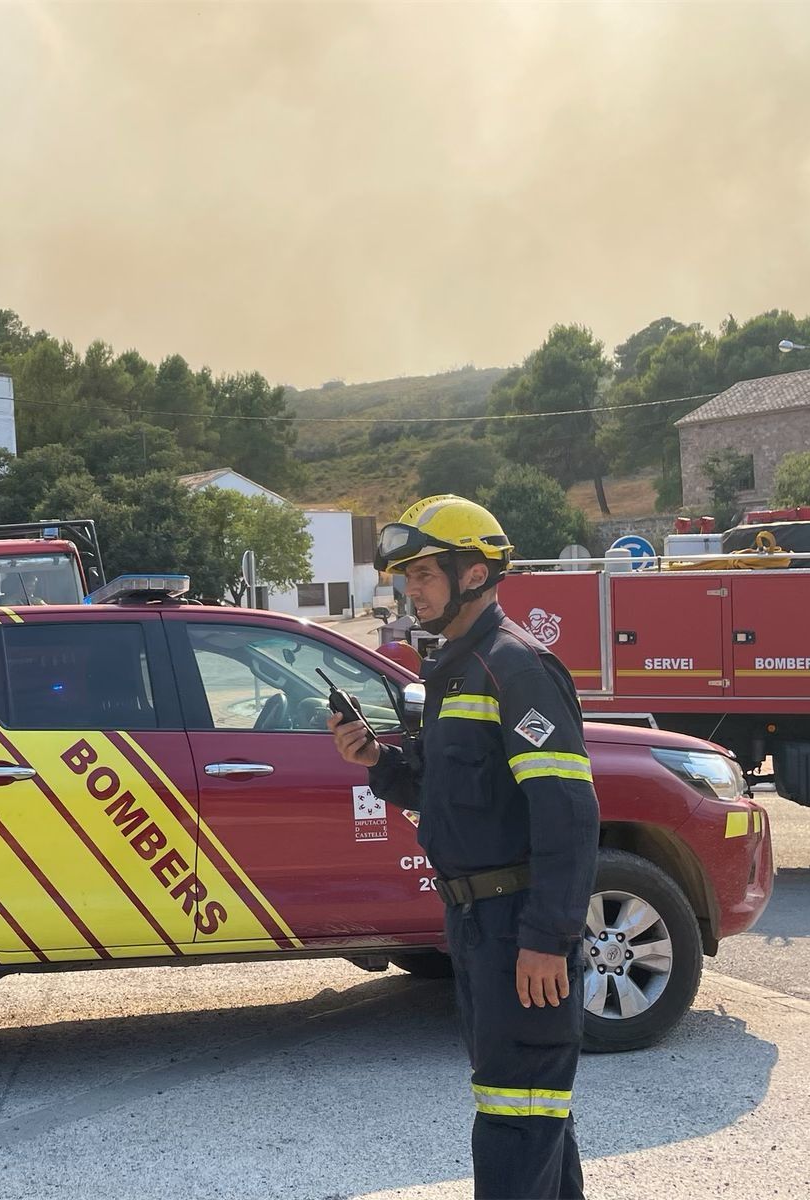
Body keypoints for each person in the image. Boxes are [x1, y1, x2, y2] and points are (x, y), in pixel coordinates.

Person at [329, 495, 598, 1199]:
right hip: (479, 927)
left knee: (518, 1116)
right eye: (405, 575)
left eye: (423, 573)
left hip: (519, 929)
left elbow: (566, 815)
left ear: (474, 573)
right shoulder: (457, 667)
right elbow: (452, 792)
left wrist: (546, 936)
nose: (408, 589)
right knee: (531, 1113)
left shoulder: (519, 669)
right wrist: (378, 764)